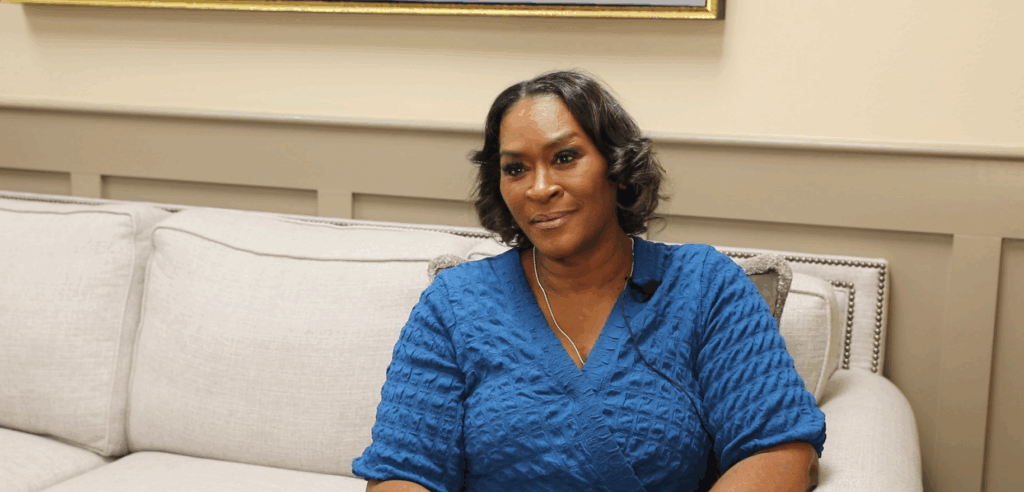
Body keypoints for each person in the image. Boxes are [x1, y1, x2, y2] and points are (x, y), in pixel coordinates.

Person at [352, 70, 825, 492]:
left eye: (565, 158)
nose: (539, 188)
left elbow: (781, 452)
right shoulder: (454, 305)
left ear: (616, 167)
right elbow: (402, 473)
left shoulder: (704, 285)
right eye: (516, 168)